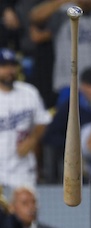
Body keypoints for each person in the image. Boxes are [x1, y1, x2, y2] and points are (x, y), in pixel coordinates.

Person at [0, 48, 51, 188]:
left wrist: (33, 139)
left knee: (27, 208)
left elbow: (43, 121)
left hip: (23, 170)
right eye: (4, 66)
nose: (10, 70)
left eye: (12, 65)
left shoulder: (29, 92)